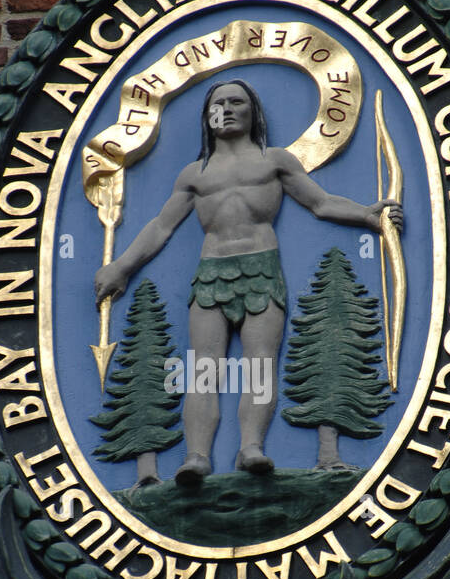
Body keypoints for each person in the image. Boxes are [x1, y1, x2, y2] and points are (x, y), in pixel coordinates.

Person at [94, 80, 403, 486]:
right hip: (211, 275)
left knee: (259, 364)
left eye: (236, 101)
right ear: (207, 115)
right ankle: (196, 457)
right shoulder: (195, 174)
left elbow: (320, 203)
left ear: (252, 110)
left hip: (262, 271)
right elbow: (161, 227)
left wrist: (367, 215)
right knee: (205, 368)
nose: (226, 108)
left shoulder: (275, 161)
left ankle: (251, 447)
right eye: (218, 103)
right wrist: (121, 267)